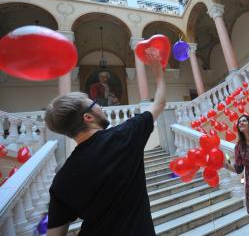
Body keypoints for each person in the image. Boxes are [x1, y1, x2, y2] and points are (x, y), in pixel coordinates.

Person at [45, 48, 166, 236]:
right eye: (94, 104)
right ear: (88, 117)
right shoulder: (125, 136)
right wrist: (158, 75)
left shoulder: (61, 178)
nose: (100, 106)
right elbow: (158, 104)